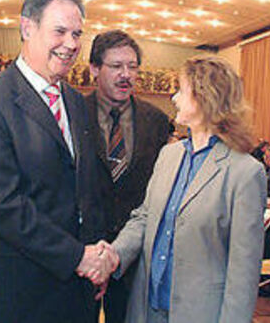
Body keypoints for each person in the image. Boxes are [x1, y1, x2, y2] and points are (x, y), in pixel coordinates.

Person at [0, 0, 106, 323]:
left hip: (73, 293)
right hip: (11, 295)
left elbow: (86, 190)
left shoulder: (76, 104)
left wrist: (97, 256)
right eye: (60, 31)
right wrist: (77, 257)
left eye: (77, 33)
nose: (71, 44)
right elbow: (0, 203)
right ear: (27, 27)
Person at [107, 56, 267, 322]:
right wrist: (114, 255)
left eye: (181, 90)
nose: (174, 98)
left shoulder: (245, 173)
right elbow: (145, 218)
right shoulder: (168, 155)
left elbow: (244, 272)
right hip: (146, 310)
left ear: (206, 97)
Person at [85, 30, 170, 323]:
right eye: (116, 66)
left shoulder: (157, 121)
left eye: (132, 67)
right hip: (84, 252)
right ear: (95, 69)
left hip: (135, 254)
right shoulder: (74, 114)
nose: (126, 75)